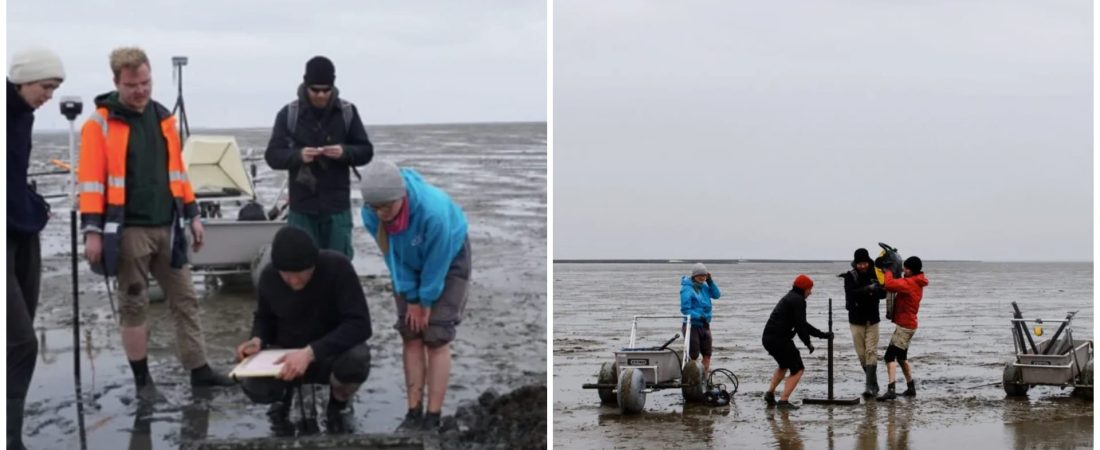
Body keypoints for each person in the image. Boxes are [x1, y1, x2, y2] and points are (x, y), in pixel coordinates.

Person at [78, 47, 234, 399]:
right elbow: (90, 182)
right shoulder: (98, 123)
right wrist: (93, 233)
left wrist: (193, 215)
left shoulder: (164, 118)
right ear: (117, 82)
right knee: (134, 304)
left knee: (186, 299)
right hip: (127, 230)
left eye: (146, 82)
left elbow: (179, 173)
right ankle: (143, 382)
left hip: (169, 227)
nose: (141, 91)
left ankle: (199, 370)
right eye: (133, 85)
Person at [359, 161, 471, 432]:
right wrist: (410, 297)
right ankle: (413, 412)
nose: (382, 213)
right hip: (405, 263)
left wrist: (426, 301)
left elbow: (437, 262)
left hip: (449, 258)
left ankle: (433, 416)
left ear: (401, 196)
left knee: (436, 337)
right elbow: (391, 256)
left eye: (387, 206)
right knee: (411, 334)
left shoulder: (432, 212)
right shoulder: (371, 214)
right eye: (376, 207)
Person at [236, 226, 372, 433]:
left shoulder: (338, 267)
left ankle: (339, 402)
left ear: (314, 265)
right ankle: (282, 398)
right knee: (255, 386)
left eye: (302, 274)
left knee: (357, 359)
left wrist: (311, 352)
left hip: (329, 352)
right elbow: (264, 318)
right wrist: (257, 340)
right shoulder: (269, 276)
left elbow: (360, 325)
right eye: (287, 275)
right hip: (286, 354)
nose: (295, 281)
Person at [8, 46, 65, 450]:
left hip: (21, 229)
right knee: (22, 341)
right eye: (46, 86)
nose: (50, 96)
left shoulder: (24, 117)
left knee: (24, 326)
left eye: (55, 88)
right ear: (24, 79)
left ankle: (13, 430)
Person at [265, 55, 374, 258]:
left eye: (326, 90)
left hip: (337, 208)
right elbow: (272, 156)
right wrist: (298, 156)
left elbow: (366, 151)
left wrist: (345, 152)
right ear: (306, 85)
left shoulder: (347, 112)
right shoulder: (288, 114)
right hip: (302, 208)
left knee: (338, 266)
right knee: (301, 264)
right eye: (316, 90)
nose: (321, 95)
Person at [760, 275, 833, 409]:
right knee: (798, 368)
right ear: (804, 289)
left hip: (768, 338)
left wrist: (822, 335)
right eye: (810, 289)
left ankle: (770, 393)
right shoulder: (798, 300)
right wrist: (808, 343)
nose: (810, 293)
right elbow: (800, 326)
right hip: (780, 339)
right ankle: (783, 401)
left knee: (784, 365)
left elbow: (802, 323)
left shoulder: (790, 297)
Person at [877, 256, 928, 401]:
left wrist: (888, 271)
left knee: (889, 357)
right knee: (901, 357)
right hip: (908, 325)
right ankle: (911, 387)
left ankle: (891, 390)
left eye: (906, 268)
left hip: (905, 327)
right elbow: (897, 283)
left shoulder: (910, 283)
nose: (904, 270)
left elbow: (889, 285)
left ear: (912, 271)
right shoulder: (916, 280)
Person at [840, 248, 886, 398]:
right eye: (859, 264)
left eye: (864, 263)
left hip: (873, 319)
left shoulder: (876, 273)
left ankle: (869, 387)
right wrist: (868, 289)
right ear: (855, 263)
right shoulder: (850, 276)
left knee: (871, 351)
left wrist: (877, 289)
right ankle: (873, 383)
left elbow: (884, 294)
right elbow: (851, 294)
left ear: (868, 261)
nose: (862, 266)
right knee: (861, 354)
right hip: (856, 320)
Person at [679, 262, 721, 374]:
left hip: (705, 325)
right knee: (693, 356)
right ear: (694, 276)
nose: (702, 278)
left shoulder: (705, 287)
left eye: (704, 275)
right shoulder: (687, 289)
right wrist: (699, 316)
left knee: (707, 354)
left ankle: (704, 379)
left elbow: (717, 295)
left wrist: (710, 281)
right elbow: (685, 310)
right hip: (692, 326)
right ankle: (693, 379)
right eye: (700, 276)